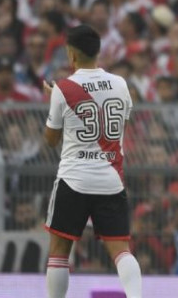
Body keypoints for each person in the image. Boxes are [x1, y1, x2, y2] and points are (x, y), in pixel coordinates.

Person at [42, 25, 142, 297]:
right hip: (111, 180)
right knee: (121, 251)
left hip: (74, 179)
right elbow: (115, 123)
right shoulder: (121, 84)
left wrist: (54, 102)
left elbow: (51, 140)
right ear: (98, 51)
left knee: (59, 251)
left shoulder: (63, 89)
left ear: (71, 55)